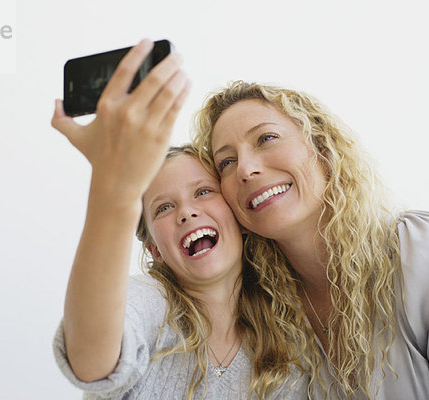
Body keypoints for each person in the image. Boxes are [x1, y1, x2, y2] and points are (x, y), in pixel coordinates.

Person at [50, 42, 307, 399]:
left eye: (203, 192)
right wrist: (114, 188)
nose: (186, 212)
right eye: (163, 208)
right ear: (155, 248)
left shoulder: (289, 337)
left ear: (238, 219)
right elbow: (90, 363)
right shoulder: (152, 305)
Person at [192, 81, 429, 399]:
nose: (246, 169)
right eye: (227, 162)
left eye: (266, 138)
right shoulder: (258, 311)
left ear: (322, 147)